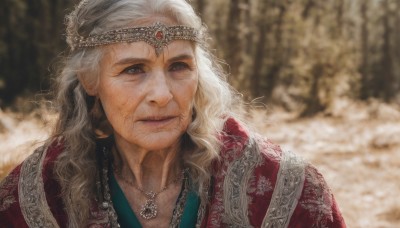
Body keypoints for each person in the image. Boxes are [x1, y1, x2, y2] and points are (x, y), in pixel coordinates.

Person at [0, 0, 346, 227]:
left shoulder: (286, 189)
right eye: (134, 69)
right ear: (91, 81)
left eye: (179, 66)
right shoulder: (38, 195)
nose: (163, 95)